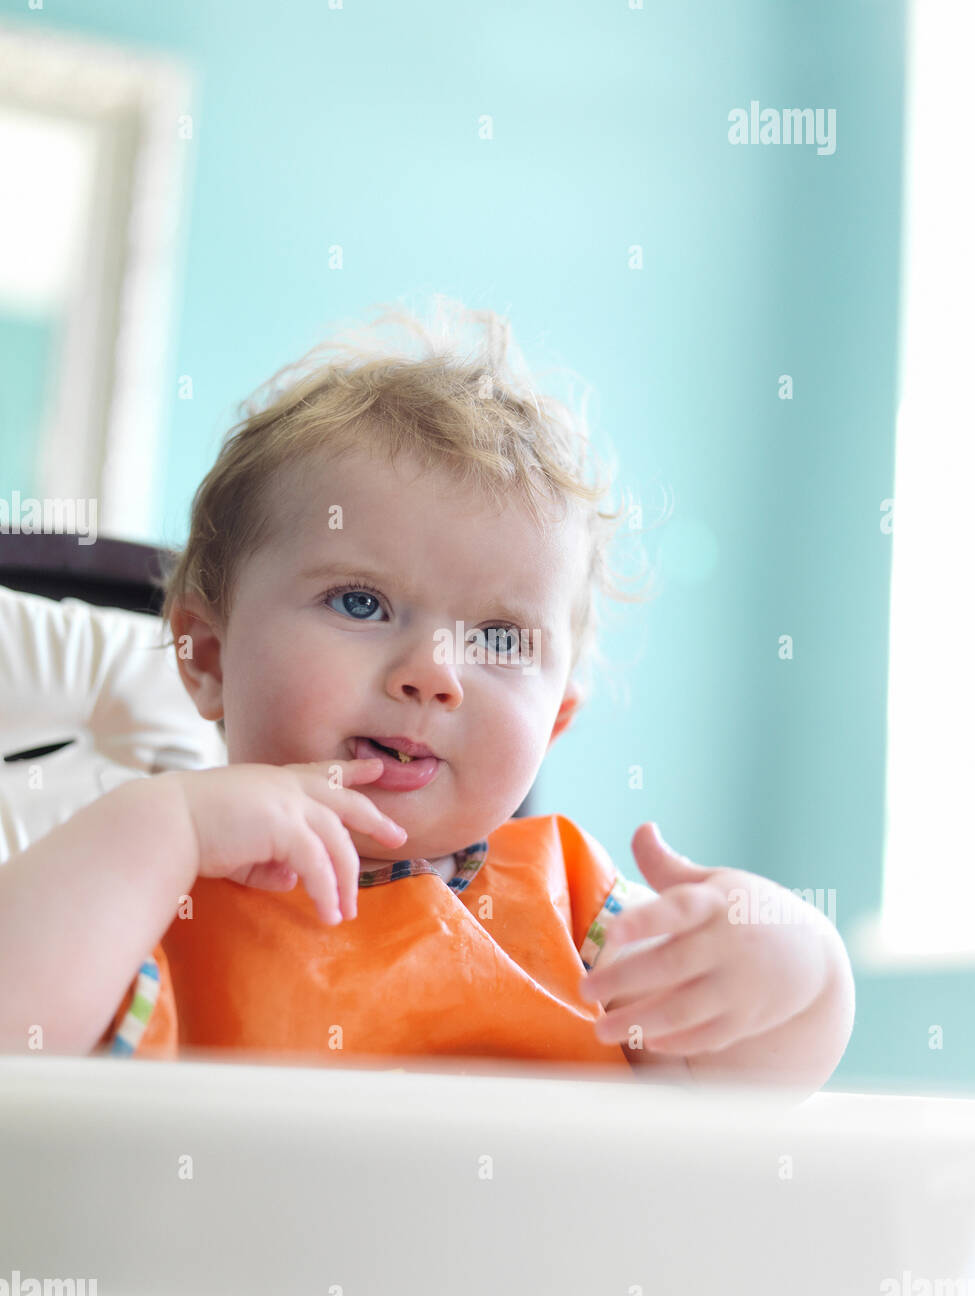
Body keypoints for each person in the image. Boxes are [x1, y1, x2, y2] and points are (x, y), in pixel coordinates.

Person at [0, 300, 854, 1095]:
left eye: (498, 639)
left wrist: (798, 973)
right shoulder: (145, 896)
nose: (434, 674)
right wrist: (163, 826)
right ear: (209, 657)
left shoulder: (576, 915)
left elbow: (748, 1089)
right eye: (360, 603)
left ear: (553, 722)